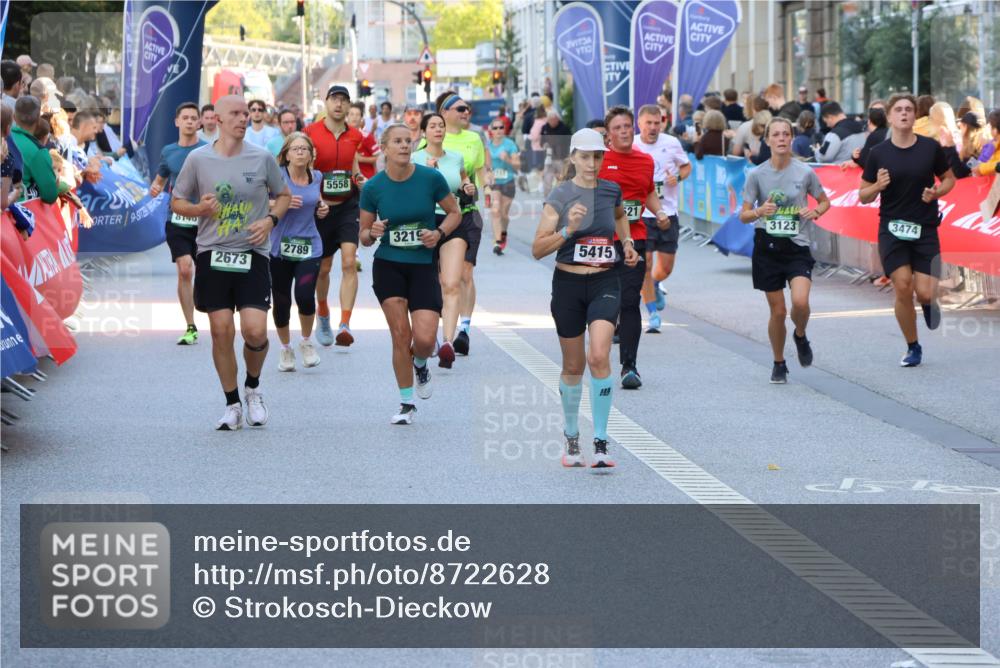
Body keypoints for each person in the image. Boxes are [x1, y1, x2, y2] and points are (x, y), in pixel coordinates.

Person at [171, 95, 292, 430]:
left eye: (246, 113)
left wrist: (269, 221)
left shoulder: (262, 157)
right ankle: (232, 403)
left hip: (252, 253)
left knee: (254, 330)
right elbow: (177, 201)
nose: (243, 118)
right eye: (235, 114)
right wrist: (199, 210)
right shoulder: (198, 159)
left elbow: (282, 195)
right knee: (221, 331)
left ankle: (252, 387)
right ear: (218, 120)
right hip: (212, 251)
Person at [532, 128, 639, 468]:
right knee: (574, 366)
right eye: (585, 157)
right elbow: (538, 248)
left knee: (598, 356)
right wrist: (568, 231)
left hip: (606, 281)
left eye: (597, 157)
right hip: (568, 285)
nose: (592, 163)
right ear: (574, 157)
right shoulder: (560, 194)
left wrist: (626, 243)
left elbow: (621, 217)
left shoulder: (611, 190)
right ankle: (572, 436)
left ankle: (602, 442)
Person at [360, 124, 461, 424]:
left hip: (422, 265)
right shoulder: (373, 187)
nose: (404, 146)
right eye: (398, 142)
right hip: (389, 264)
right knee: (400, 335)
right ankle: (406, 403)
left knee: (426, 339)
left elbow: (454, 213)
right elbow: (363, 235)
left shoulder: (430, 178)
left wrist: (439, 233)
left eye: (408, 141)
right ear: (385, 148)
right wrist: (372, 231)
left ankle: (420, 363)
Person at [859, 93, 956, 367]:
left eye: (909, 110)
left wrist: (936, 193)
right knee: (902, 286)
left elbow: (950, 180)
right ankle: (913, 346)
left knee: (924, 292)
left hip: (924, 229)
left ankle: (928, 303)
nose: (904, 114)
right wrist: (877, 186)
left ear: (915, 116)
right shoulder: (878, 153)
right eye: (898, 110)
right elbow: (862, 195)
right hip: (892, 229)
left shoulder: (930, 148)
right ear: (889, 116)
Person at [739, 117, 831, 383]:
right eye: (776, 135)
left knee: (800, 303)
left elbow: (825, 202)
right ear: (767, 140)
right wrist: (759, 210)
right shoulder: (756, 174)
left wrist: (815, 211)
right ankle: (779, 362)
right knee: (778, 311)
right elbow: (743, 215)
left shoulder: (804, 173)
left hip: (797, 245)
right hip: (767, 246)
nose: (781, 139)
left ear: (791, 139)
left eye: (785, 134)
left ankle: (800, 335)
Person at [599, 106, 672, 390]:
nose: (624, 131)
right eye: (617, 128)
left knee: (630, 301)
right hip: (603, 240)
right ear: (608, 135)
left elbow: (647, 192)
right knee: (607, 301)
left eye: (627, 126)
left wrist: (660, 211)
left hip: (635, 237)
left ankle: (629, 366)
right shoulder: (601, 161)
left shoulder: (645, 161)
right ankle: (599, 358)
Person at [303, 85, 367, 348]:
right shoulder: (310, 133)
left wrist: (360, 179)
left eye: (344, 100)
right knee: (324, 269)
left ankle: (345, 323)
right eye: (334, 100)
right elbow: (303, 169)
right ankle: (323, 313)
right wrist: (314, 200)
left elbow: (353, 167)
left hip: (348, 205)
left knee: (349, 263)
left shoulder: (355, 135)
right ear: (325, 103)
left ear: (350, 105)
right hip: (321, 208)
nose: (339, 105)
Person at [411, 112, 471, 368]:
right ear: (424, 132)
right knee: (426, 285)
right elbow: (407, 189)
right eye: (432, 126)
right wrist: (427, 174)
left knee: (451, 283)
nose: (438, 129)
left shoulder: (456, 158)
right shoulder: (414, 158)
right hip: (423, 223)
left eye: (441, 125)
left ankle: (447, 342)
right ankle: (428, 337)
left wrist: (469, 188)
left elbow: (465, 182)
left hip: (452, 220)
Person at [435, 93, 490, 357]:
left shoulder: (474, 139)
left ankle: (463, 330)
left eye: (467, 109)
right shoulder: (432, 138)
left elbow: (479, 170)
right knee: (445, 278)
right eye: (460, 109)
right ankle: (444, 325)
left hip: (467, 212)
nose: (466, 112)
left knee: (465, 273)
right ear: (444, 112)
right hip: (439, 215)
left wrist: (484, 186)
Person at [149, 102, 208, 345]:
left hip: (205, 221)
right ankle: (190, 326)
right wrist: (155, 187)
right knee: (185, 269)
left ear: (199, 123)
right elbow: (161, 179)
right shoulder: (169, 151)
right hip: (177, 220)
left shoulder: (207, 150)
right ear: (177, 122)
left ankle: (215, 315)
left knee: (206, 275)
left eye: (194, 118)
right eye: (185, 117)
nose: (190, 121)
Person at [271, 132, 329, 372]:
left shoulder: (316, 177)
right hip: (280, 248)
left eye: (305, 149)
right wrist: (279, 204)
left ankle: (306, 342)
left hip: (309, 247)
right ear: (286, 154)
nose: (300, 153)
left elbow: (318, 201)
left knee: (305, 296)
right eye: (295, 149)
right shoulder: (277, 177)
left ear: (311, 154)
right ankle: (285, 348)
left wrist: (322, 208)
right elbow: (259, 203)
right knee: (282, 300)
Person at [633, 104, 690, 334]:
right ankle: (652, 314)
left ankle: (656, 284)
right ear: (640, 124)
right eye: (649, 123)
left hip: (667, 213)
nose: (653, 127)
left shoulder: (671, 143)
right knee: (644, 264)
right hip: (641, 214)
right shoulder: (633, 144)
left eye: (657, 123)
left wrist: (677, 177)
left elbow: (686, 166)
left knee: (665, 267)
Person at [10, 96, 58, 203]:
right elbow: (50, 195)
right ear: (38, 119)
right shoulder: (38, 151)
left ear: (14, 117)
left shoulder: (3, 138)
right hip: (19, 213)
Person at [486, 117, 520, 255]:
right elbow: (485, 166)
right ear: (491, 131)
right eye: (495, 128)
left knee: (504, 214)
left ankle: (503, 232)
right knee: (495, 211)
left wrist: (508, 159)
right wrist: (487, 175)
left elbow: (518, 165)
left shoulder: (510, 144)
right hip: (495, 183)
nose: (498, 130)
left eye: (501, 127)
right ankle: (498, 242)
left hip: (508, 181)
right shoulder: (487, 146)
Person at [540, 109, 571, 196]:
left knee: (563, 179)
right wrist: (544, 145)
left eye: (554, 119)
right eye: (550, 120)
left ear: (557, 119)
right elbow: (541, 142)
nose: (552, 122)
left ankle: (564, 196)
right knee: (547, 179)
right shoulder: (545, 128)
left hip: (561, 158)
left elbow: (569, 141)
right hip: (549, 158)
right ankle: (548, 199)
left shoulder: (564, 128)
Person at [348, 102, 379, 180]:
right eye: (351, 114)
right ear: (347, 117)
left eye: (357, 114)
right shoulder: (341, 137)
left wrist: (361, 159)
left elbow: (379, 157)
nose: (354, 117)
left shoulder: (367, 136)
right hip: (348, 180)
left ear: (361, 118)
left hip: (366, 180)